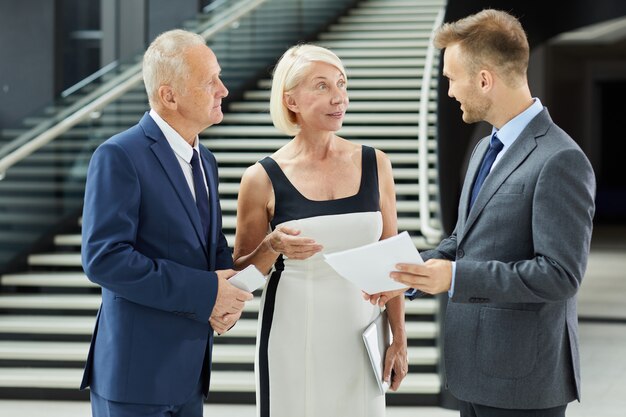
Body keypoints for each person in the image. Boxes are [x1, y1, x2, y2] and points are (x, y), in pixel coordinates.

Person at [365, 9, 596, 417]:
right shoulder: (484, 149)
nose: (449, 91)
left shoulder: (561, 160)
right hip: (473, 373)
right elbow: (464, 239)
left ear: (484, 79)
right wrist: (408, 273)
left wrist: (453, 278)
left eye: (452, 79)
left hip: (523, 383)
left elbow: (559, 275)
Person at [80, 29, 254, 417]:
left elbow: (209, 244)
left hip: (189, 373)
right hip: (134, 375)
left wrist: (228, 290)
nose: (222, 89)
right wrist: (206, 290)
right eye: (210, 82)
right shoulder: (119, 155)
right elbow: (105, 259)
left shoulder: (206, 160)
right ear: (169, 95)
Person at [233, 44, 408, 417]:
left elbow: (392, 262)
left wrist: (398, 339)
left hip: (363, 334)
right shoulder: (261, 178)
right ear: (290, 99)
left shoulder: (376, 163)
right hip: (291, 334)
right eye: (322, 86)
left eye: (341, 85)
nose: (338, 98)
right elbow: (242, 276)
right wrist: (271, 245)